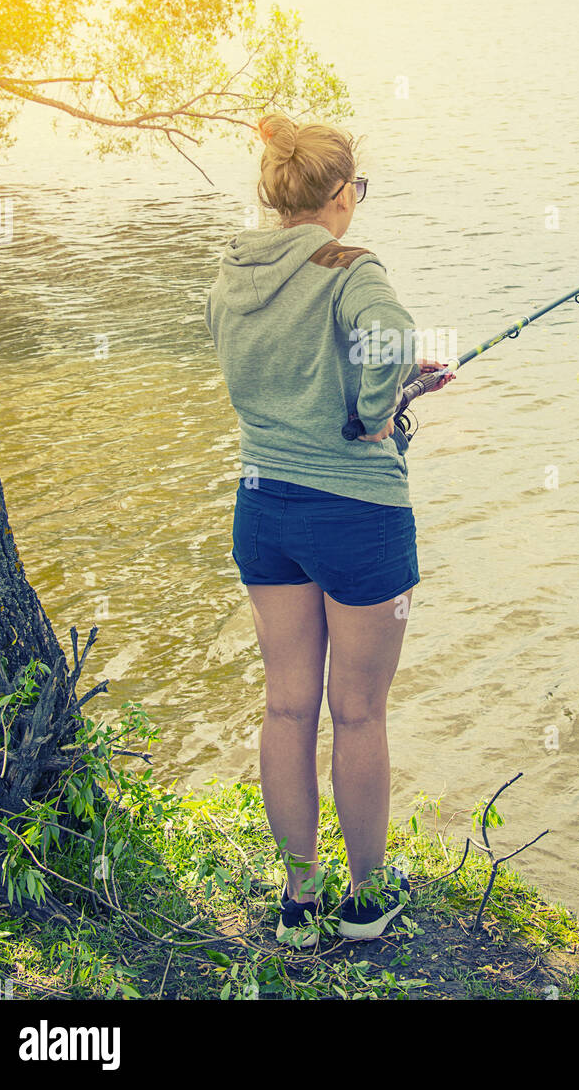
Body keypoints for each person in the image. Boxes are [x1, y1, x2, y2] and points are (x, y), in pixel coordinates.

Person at [204, 112, 454, 945]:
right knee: (357, 712)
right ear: (341, 194)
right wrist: (380, 409)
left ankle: (298, 902)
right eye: (358, 190)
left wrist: (376, 392)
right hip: (356, 516)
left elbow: (269, 368)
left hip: (263, 506)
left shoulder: (234, 272)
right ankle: (366, 899)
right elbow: (390, 342)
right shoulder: (350, 267)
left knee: (285, 707)